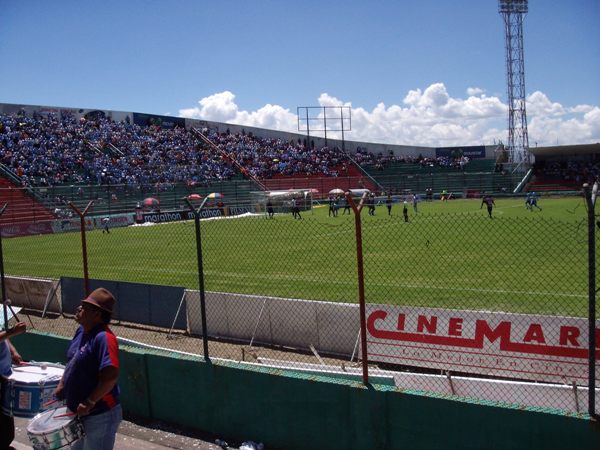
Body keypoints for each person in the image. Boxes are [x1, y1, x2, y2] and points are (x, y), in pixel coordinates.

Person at [54, 288, 122, 450]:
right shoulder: (81, 331)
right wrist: (63, 383)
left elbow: (111, 376)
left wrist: (89, 402)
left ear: (97, 315)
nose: (79, 309)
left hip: (99, 415)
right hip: (78, 413)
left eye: (85, 307)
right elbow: (73, 361)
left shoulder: (104, 338)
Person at [0, 321, 27, 450]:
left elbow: (2, 335)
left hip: (5, 377)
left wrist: (13, 351)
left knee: (6, 418)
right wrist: (12, 332)